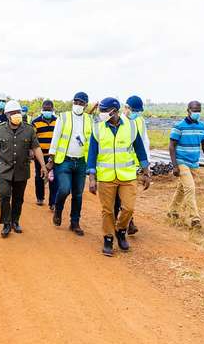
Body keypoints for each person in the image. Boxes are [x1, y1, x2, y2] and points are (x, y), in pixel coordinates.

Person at [87, 98, 151, 257]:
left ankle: (121, 230)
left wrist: (146, 172)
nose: (101, 114)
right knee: (107, 210)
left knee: (128, 208)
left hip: (127, 176)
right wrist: (92, 177)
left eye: (104, 110)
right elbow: (92, 154)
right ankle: (108, 238)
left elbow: (140, 150)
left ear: (114, 111)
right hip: (106, 177)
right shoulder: (98, 129)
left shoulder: (130, 126)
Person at [0, 100, 46, 237]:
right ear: (8, 115)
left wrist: (43, 165)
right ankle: (6, 223)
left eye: (18, 112)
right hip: (3, 169)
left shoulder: (29, 129)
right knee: (4, 194)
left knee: (18, 198)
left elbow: (36, 148)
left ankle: (15, 221)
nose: (16, 115)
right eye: (13, 113)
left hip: (21, 169)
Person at [47, 92, 93, 236]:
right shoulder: (64, 117)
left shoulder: (89, 119)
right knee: (65, 189)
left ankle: (75, 222)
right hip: (64, 160)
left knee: (78, 194)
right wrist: (51, 159)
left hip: (80, 161)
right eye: (76, 102)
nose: (78, 105)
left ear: (86, 105)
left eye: (81, 103)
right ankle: (58, 210)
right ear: (73, 102)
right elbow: (56, 137)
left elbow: (92, 141)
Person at [168, 101, 204, 229]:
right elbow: (172, 146)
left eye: (199, 110)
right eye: (194, 110)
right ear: (188, 110)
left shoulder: (202, 127)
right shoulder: (179, 126)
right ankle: (194, 218)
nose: (197, 113)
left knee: (182, 188)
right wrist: (174, 165)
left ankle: (172, 211)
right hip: (181, 162)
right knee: (190, 188)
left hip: (194, 163)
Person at [114, 95, 151, 235]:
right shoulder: (117, 121)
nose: (135, 113)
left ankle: (128, 221)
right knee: (117, 196)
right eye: (133, 110)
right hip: (116, 166)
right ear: (126, 108)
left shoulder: (140, 121)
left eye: (138, 111)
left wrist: (146, 166)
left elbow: (144, 143)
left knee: (128, 195)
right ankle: (124, 222)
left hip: (132, 166)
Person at [31, 100, 58, 209]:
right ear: (42, 109)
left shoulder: (58, 121)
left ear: (53, 109)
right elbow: (32, 139)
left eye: (49, 109)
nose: (47, 111)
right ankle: (40, 197)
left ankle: (52, 202)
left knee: (53, 178)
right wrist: (32, 151)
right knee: (40, 176)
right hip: (40, 155)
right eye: (45, 109)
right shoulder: (35, 122)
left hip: (53, 155)